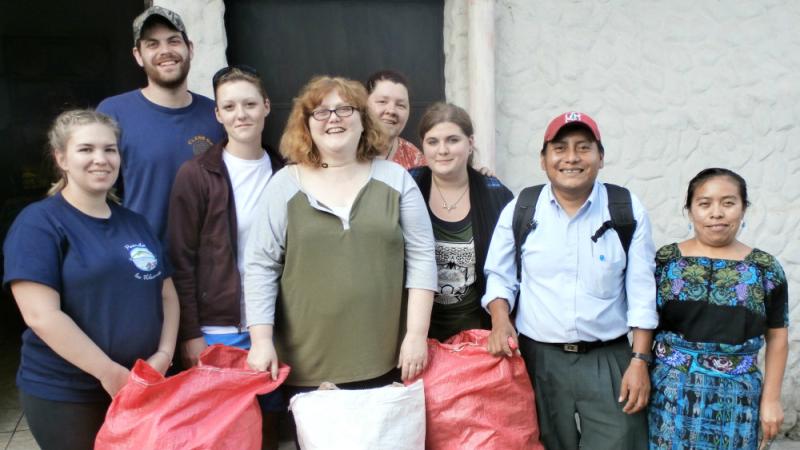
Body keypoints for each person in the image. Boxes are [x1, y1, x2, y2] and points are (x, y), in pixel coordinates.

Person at [243, 76, 437, 392]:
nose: (333, 118)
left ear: (364, 120)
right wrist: (261, 340)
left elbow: (422, 259)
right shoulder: (284, 185)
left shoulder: (396, 180)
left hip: (385, 359)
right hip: (307, 366)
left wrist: (416, 335)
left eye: (345, 109)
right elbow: (260, 266)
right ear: (306, 125)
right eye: (321, 112)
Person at [3, 109, 179, 450]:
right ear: (61, 158)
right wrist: (109, 373)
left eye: (109, 149)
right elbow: (41, 315)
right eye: (86, 149)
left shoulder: (134, 222)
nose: (101, 159)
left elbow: (167, 293)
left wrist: (164, 354)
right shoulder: (39, 223)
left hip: (142, 384)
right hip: (69, 394)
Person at [483, 112, 657, 450]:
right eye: (559, 148)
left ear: (600, 157)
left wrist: (640, 361)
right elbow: (500, 277)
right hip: (539, 359)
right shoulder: (522, 208)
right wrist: (500, 320)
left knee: (621, 441)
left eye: (583, 147)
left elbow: (642, 293)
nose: (572, 158)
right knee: (543, 444)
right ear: (544, 159)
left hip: (609, 359)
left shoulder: (625, 208)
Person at [167, 66, 285, 450]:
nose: (241, 114)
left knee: (271, 428)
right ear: (217, 114)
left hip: (277, 325)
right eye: (229, 106)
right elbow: (181, 261)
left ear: (266, 107)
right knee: (226, 432)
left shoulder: (287, 171)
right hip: (221, 328)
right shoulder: (198, 174)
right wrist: (191, 333)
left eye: (250, 104)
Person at [648, 168, 789, 450]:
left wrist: (771, 400)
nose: (717, 213)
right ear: (689, 210)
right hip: (670, 392)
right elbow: (645, 324)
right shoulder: (666, 261)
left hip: (737, 396)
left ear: (743, 208)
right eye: (704, 203)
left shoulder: (764, 268)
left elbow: (777, 337)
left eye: (728, 203)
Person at [97, 6, 225, 245]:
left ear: (190, 48)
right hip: (141, 264)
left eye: (173, 41)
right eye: (152, 44)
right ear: (138, 55)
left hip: (206, 267)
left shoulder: (216, 115)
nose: (165, 51)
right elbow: (95, 194)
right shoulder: (113, 113)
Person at [408, 102, 513, 341]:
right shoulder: (408, 187)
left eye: (453, 140)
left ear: (470, 142)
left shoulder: (496, 195)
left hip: (477, 334)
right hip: (416, 335)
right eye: (433, 141)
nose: (442, 150)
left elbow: (509, 270)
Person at [365, 69, 426, 169]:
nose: (391, 111)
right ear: (364, 104)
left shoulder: (415, 160)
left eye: (400, 105)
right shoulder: (344, 150)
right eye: (382, 101)